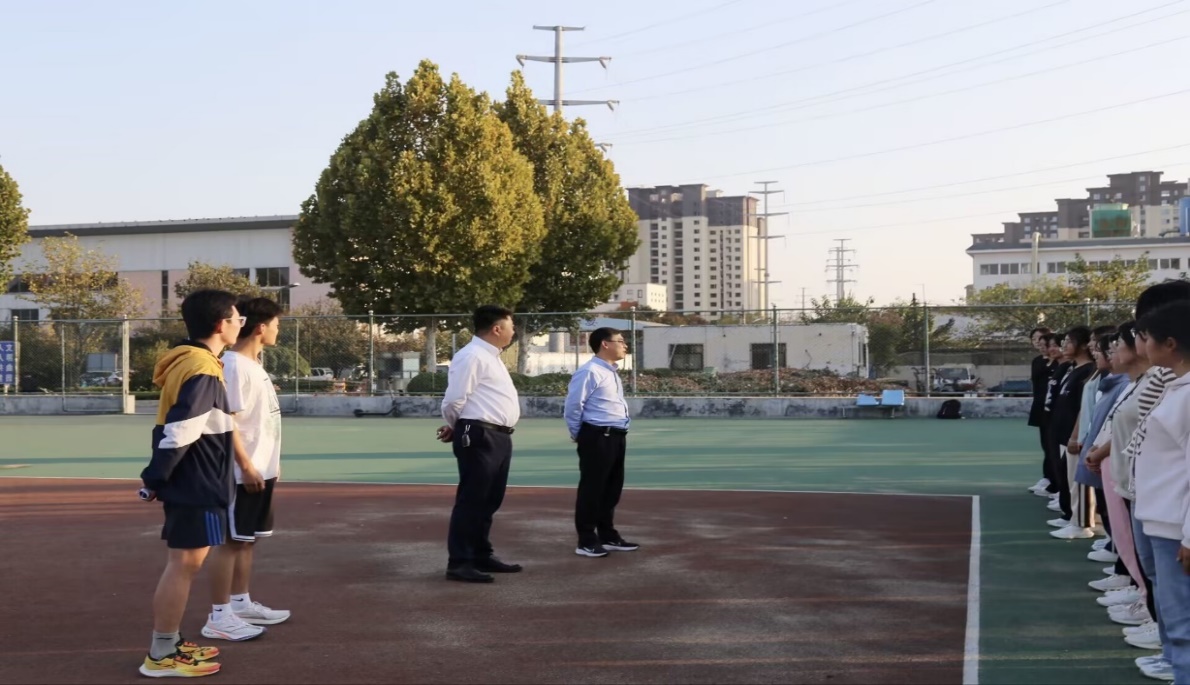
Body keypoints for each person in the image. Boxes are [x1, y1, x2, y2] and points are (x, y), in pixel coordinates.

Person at [138, 290, 244, 678]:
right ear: (220, 324)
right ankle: (161, 653)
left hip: (197, 479)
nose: (240, 325)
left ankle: (169, 643)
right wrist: (155, 477)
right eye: (237, 319)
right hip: (198, 482)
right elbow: (181, 430)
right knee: (184, 565)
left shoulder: (193, 361)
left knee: (185, 564)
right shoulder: (202, 368)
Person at [203, 296, 291, 640]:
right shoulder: (235, 366)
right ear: (261, 328)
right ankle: (218, 616)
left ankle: (240, 603)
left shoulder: (253, 365)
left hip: (261, 469)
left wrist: (270, 463)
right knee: (230, 542)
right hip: (242, 473)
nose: (278, 331)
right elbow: (227, 423)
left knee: (246, 540)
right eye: (277, 325)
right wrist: (247, 465)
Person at [437, 305, 522, 583]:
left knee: (489, 500)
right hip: (480, 435)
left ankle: (480, 554)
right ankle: (460, 562)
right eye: (511, 326)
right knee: (473, 500)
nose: (514, 331)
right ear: (497, 329)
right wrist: (457, 425)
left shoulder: (491, 356)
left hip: (498, 436)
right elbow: (454, 399)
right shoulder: (472, 355)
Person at [1132, 300, 1190, 684]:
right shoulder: (1176, 388)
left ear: (1170, 343)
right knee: (1176, 619)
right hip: (1163, 523)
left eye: (1147, 337)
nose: (1143, 344)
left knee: (1184, 626)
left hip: (1176, 529)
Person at [564, 327, 639, 558]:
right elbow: (573, 406)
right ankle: (586, 540)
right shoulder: (589, 371)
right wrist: (580, 435)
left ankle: (607, 536)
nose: (625, 345)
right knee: (593, 489)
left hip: (616, 435)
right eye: (620, 341)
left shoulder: (610, 372)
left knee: (611, 489)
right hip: (597, 436)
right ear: (605, 344)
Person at [1046, 327, 1095, 532]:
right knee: (1067, 477)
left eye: (1069, 341)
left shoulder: (1088, 371)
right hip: (1062, 432)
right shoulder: (1072, 369)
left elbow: (1083, 408)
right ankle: (1070, 515)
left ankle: (1081, 524)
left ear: (1083, 345)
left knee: (1078, 480)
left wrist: (1075, 435)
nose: (1064, 345)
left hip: (1074, 435)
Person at [1028, 326, 1054, 496]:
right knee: (1046, 444)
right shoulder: (1037, 361)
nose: (1038, 342)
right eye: (1034, 339)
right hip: (1040, 407)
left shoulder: (1058, 362)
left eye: (1041, 338)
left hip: (1053, 409)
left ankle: (1054, 480)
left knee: (1053, 446)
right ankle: (1047, 477)